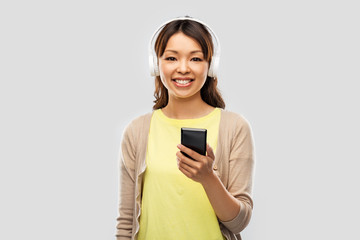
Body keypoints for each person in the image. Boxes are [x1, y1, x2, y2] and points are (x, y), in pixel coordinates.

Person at [116, 16, 255, 240]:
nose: (183, 68)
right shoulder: (137, 131)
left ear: (210, 66)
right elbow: (125, 222)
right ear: (156, 64)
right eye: (171, 58)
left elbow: (239, 222)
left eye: (195, 59)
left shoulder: (235, 127)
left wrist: (208, 178)